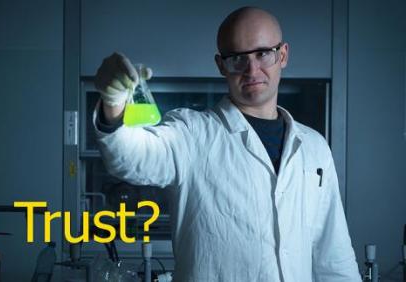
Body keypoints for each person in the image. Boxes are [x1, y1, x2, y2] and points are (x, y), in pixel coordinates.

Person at [93, 6, 361, 282]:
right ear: (221, 65)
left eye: (263, 53)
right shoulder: (192, 134)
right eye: (237, 58)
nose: (252, 68)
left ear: (282, 55)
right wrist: (113, 104)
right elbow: (131, 157)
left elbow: (334, 256)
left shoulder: (314, 147)